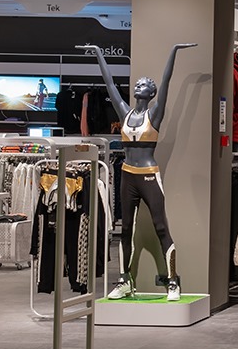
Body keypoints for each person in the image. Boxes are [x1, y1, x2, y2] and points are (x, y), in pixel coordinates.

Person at [82, 42, 196, 301]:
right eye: (137, 83)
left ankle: (173, 282)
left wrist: (174, 50)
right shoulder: (125, 112)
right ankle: (124, 280)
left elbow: (167, 81)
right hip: (127, 175)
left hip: (148, 175)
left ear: (151, 93)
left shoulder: (154, 115)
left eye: (144, 84)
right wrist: (99, 52)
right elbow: (109, 84)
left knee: (161, 227)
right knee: (125, 230)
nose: (138, 85)